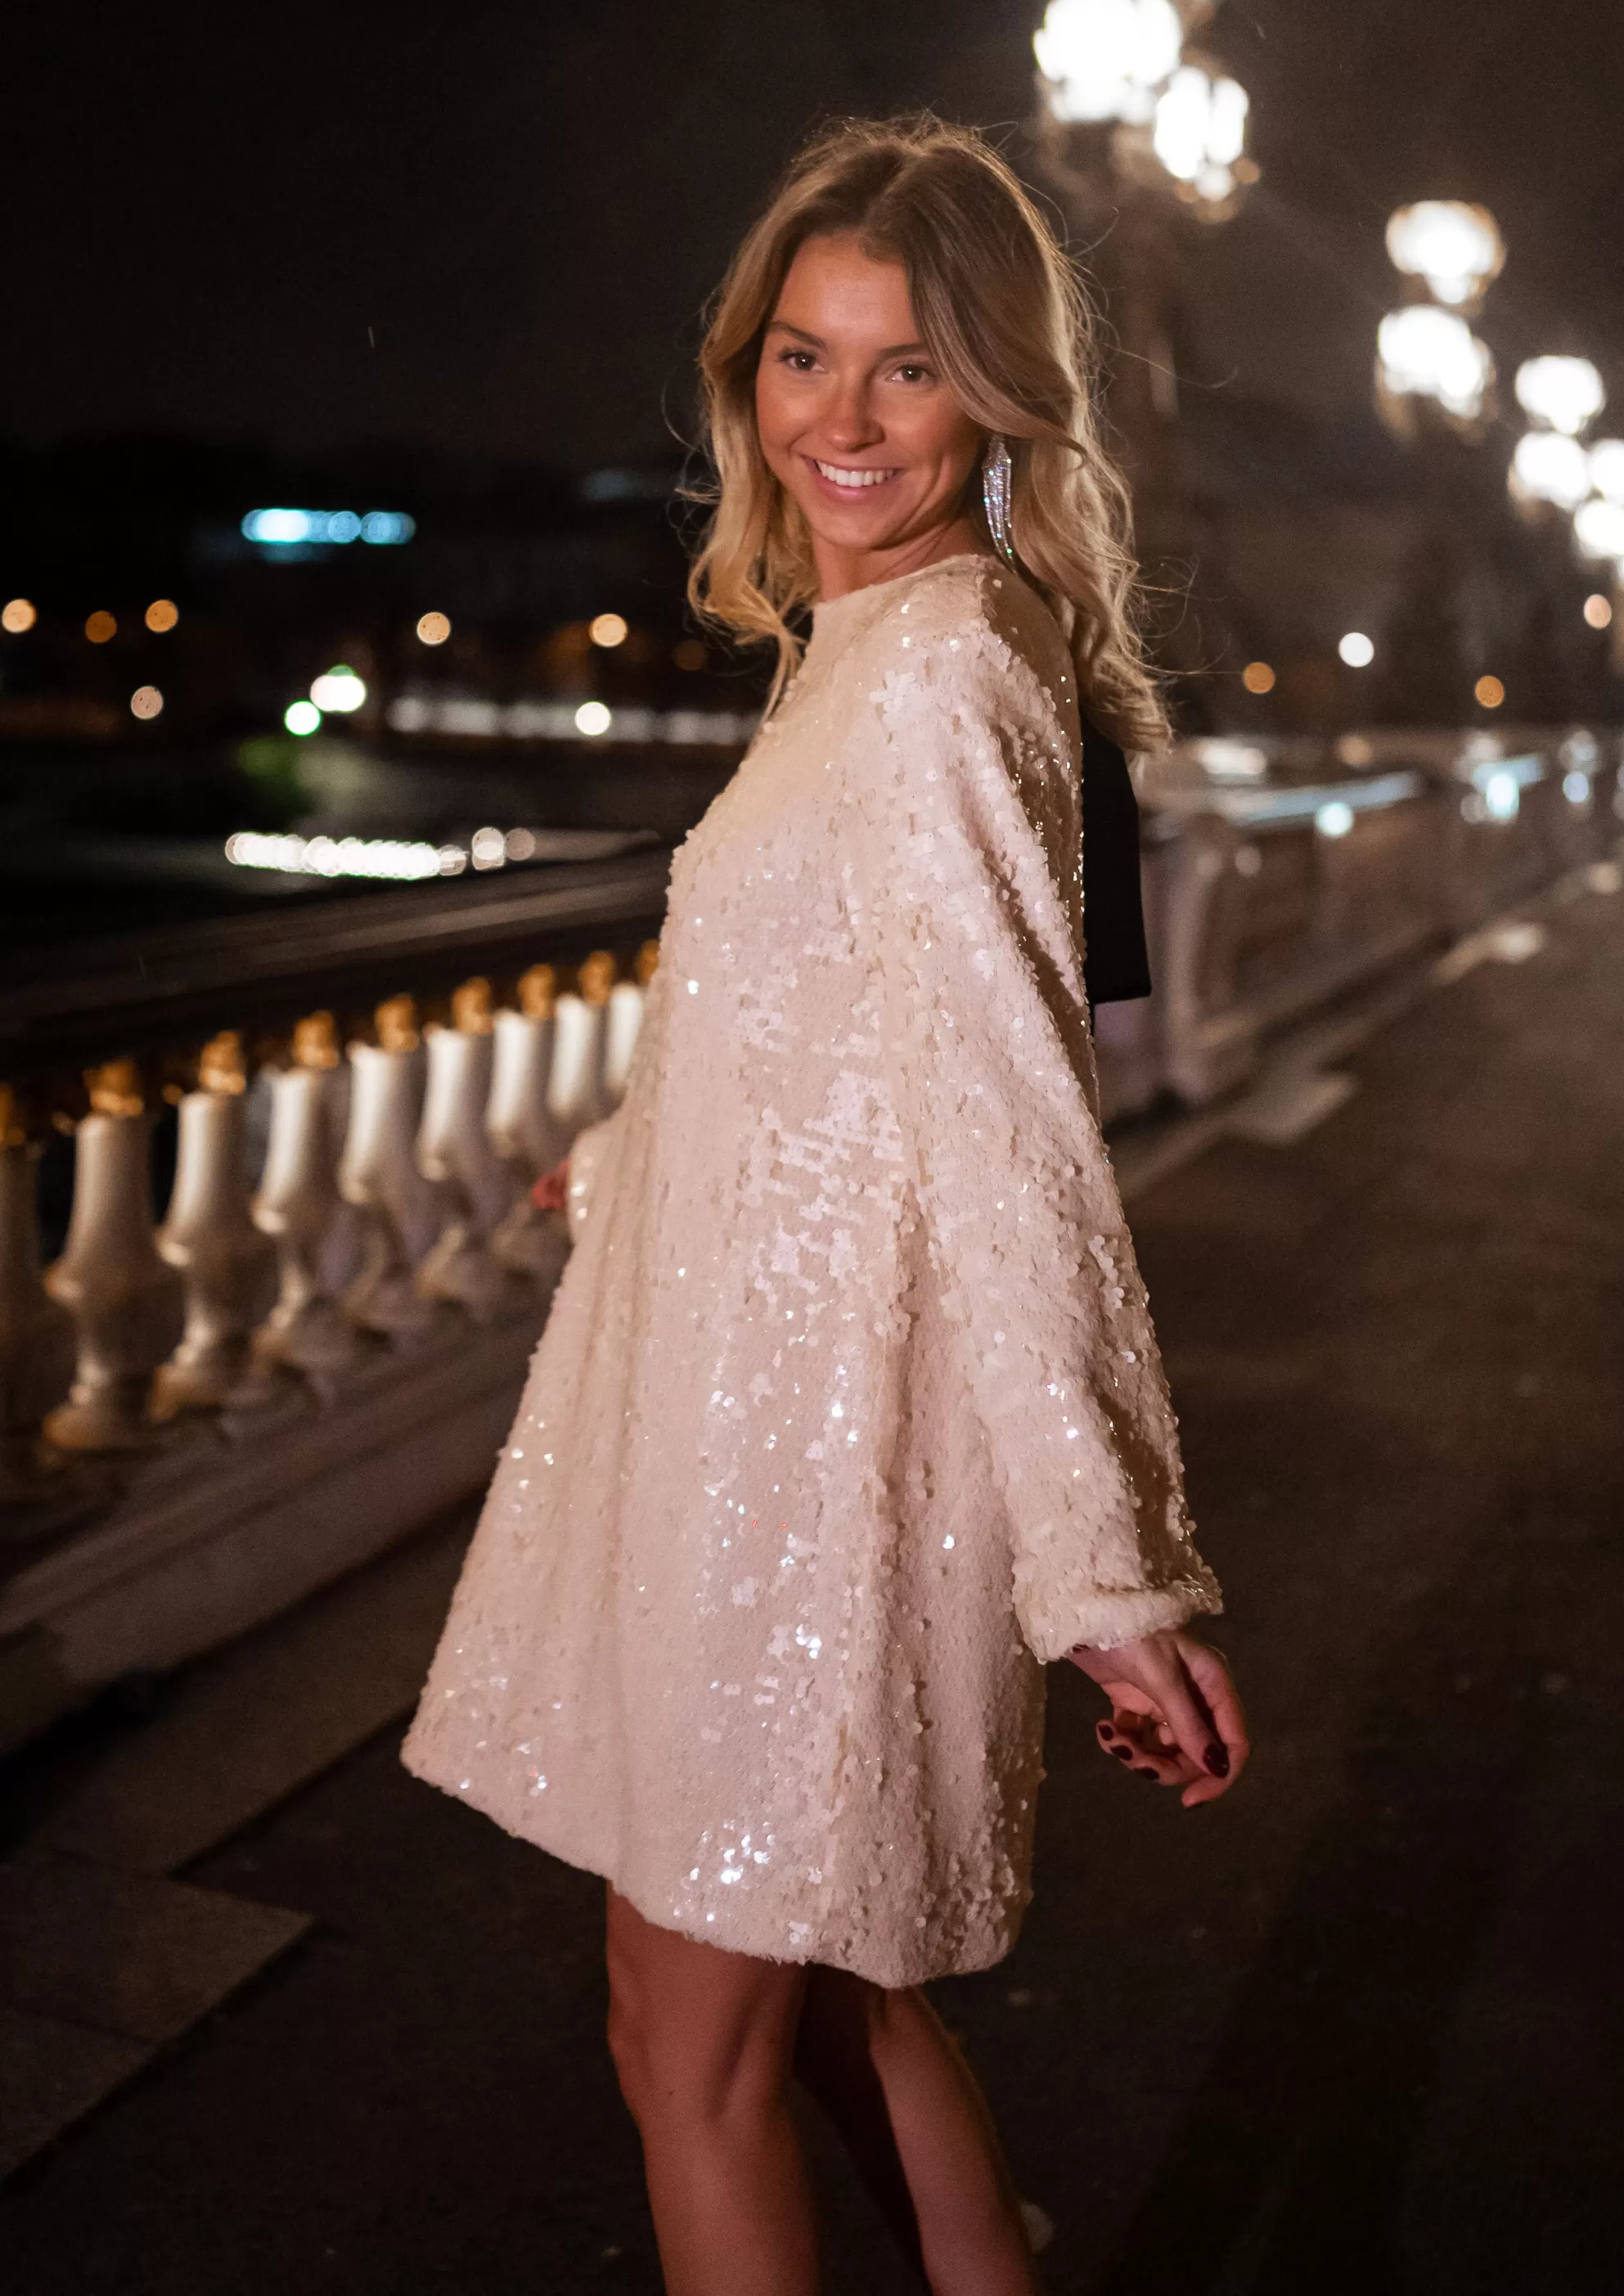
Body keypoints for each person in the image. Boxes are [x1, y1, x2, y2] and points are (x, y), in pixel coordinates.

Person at [403, 113, 1249, 2296]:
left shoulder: (941, 667)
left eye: (908, 364)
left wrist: (1104, 1567)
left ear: (997, 394)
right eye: (805, 355)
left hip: (809, 1476)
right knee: (836, 1999)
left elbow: (1010, 1124)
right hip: (767, 1428)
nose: (842, 419)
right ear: (747, 370)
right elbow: (846, 1035)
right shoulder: (880, 644)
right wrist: (635, 1157)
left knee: (685, 2050)